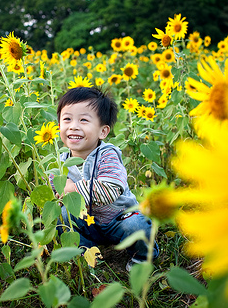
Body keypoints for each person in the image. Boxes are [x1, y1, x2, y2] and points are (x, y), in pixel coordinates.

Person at [51, 86, 159, 271]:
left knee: (137, 225)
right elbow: (56, 192)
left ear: (103, 131)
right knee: (62, 217)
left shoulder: (107, 155)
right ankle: (89, 253)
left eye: (83, 120)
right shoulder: (61, 163)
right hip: (88, 223)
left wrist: (71, 189)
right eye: (67, 119)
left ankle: (142, 257)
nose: (73, 126)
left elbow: (109, 190)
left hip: (119, 219)